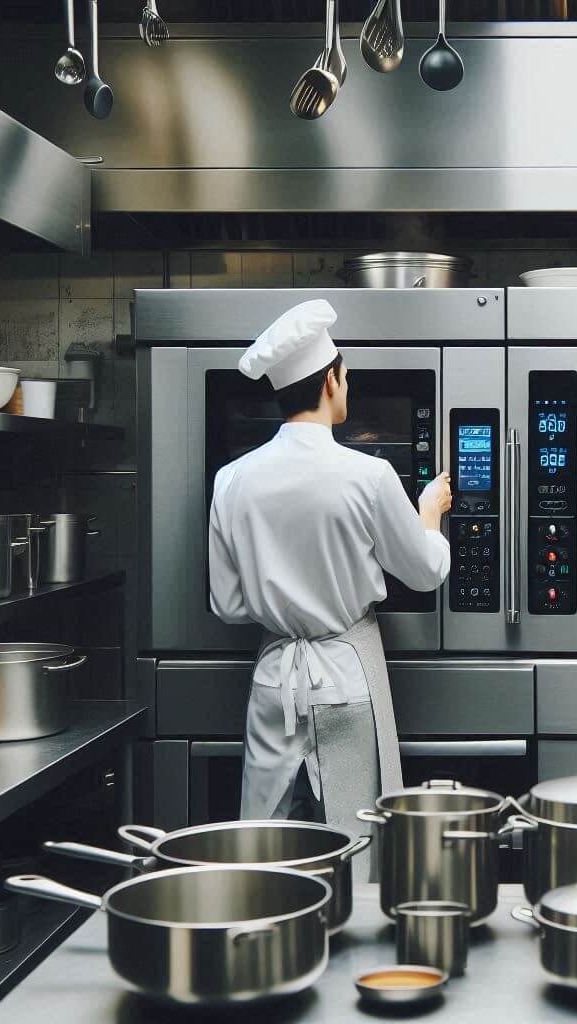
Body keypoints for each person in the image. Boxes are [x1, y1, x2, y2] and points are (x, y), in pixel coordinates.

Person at [208, 299, 451, 876]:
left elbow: (227, 603)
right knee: (354, 846)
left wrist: (286, 604)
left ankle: (265, 943)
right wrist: (429, 515)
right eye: (345, 376)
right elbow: (425, 572)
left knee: (263, 851)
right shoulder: (369, 475)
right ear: (331, 381)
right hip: (346, 676)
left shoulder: (232, 479)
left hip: (274, 682)